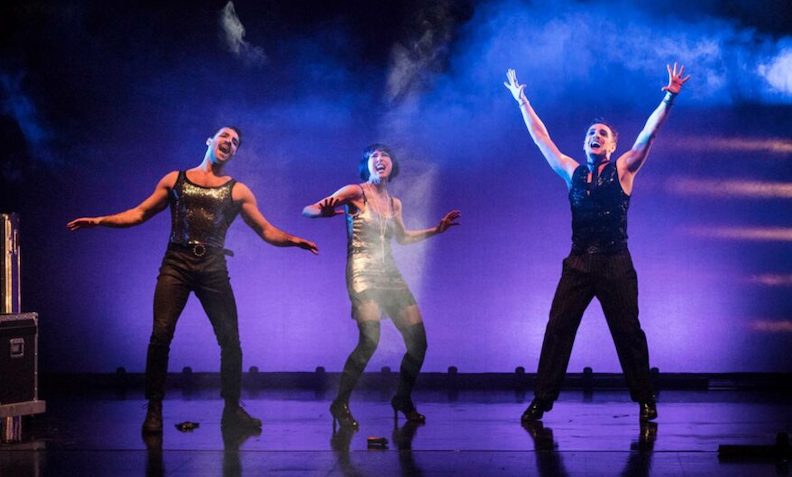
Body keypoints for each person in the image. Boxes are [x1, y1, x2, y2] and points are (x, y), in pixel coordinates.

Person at [67, 126, 318, 434]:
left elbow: (266, 230)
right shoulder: (175, 180)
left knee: (230, 339)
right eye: (225, 136)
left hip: (213, 266)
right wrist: (100, 221)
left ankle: (232, 410)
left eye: (235, 142)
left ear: (235, 153)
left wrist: (293, 239)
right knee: (161, 335)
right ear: (210, 141)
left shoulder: (238, 191)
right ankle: (154, 409)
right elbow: (139, 213)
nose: (229, 142)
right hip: (177, 262)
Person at [504, 64, 690, 422]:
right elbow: (541, 138)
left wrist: (669, 97)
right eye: (592, 132)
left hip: (615, 261)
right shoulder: (570, 171)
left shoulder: (624, 169)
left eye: (603, 133)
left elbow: (648, 134)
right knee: (558, 329)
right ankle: (541, 400)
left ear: (613, 145)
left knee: (627, 332)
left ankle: (645, 398)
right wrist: (522, 101)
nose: (596, 135)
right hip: (578, 263)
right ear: (585, 142)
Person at [303, 144, 460, 428]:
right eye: (373, 156)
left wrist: (437, 230)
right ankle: (340, 403)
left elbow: (402, 238)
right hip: (363, 271)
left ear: (392, 164)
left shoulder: (394, 203)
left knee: (418, 343)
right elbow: (309, 209)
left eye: (384, 155)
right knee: (370, 340)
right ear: (366, 165)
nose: (380, 158)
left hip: (390, 274)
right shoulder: (354, 191)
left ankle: (402, 398)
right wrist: (321, 213)